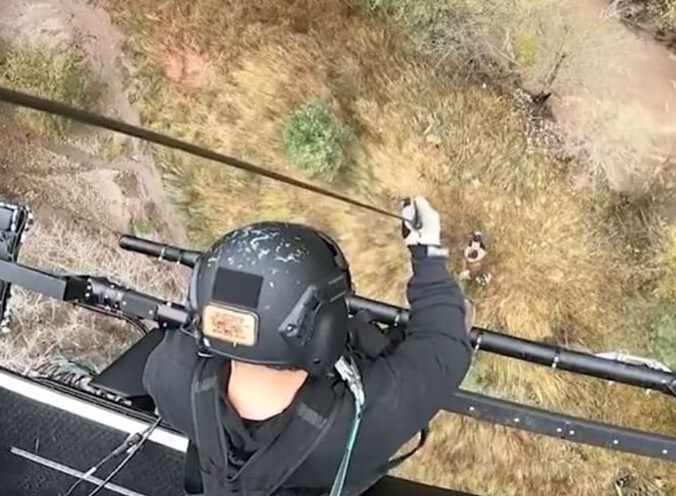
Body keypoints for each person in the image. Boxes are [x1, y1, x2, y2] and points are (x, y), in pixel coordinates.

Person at [143, 197, 472, 496]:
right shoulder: (367, 420)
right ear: (324, 333)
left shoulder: (170, 375)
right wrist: (426, 248)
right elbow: (445, 341)